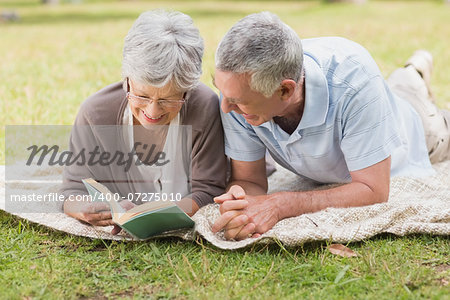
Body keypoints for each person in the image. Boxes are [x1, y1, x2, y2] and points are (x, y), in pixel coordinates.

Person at [211, 12, 450, 240]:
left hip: (419, 129)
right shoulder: (239, 94)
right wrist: (240, 202)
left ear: (285, 90)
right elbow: (249, 180)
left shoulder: (357, 83)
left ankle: (413, 73)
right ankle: (410, 74)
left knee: (429, 115)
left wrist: (281, 204)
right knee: (399, 87)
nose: (225, 108)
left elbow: (372, 190)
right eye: (221, 90)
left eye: (238, 101)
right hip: (371, 105)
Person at [61, 10, 227, 233]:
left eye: (169, 99)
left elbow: (209, 190)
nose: (153, 110)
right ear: (127, 80)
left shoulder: (204, 106)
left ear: (187, 92)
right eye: (142, 95)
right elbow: (72, 190)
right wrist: (84, 209)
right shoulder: (94, 113)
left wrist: (158, 216)